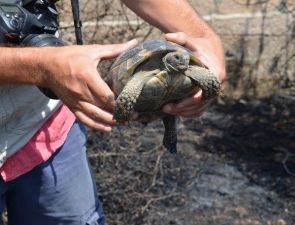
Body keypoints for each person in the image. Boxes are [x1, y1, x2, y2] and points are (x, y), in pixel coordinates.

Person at [0, 0, 226, 224]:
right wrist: (40, 67)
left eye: (184, 60)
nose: (183, 61)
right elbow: (135, 83)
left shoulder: (183, 63)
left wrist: (205, 39)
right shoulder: (140, 78)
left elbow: (199, 68)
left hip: (46, 127)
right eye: (178, 58)